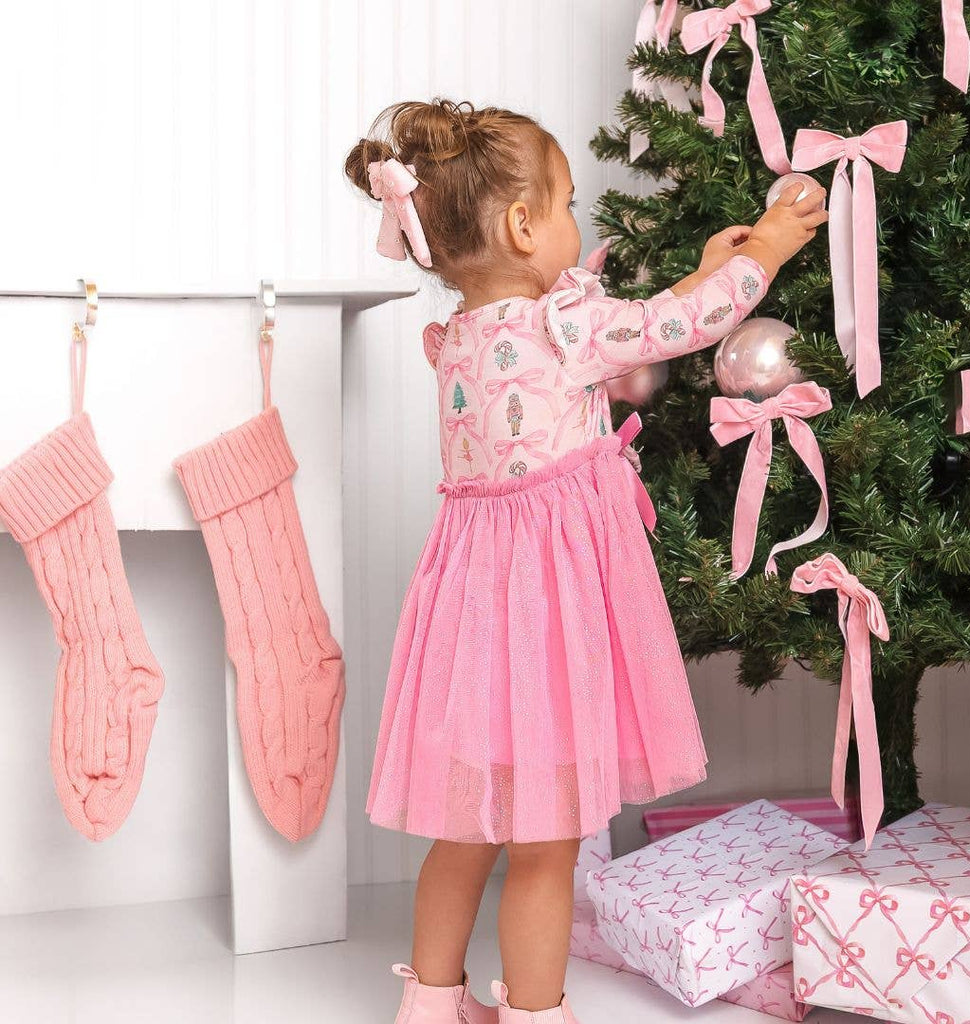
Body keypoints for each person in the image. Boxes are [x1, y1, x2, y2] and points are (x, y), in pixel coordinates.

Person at [345, 97, 826, 1024]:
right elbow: (676, 328)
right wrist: (762, 248)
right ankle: (535, 1012)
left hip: (471, 605)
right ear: (525, 227)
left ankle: (432, 1004)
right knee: (547, 839)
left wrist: (690, 273)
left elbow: (636, 329)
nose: (576, 223)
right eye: (566, 204)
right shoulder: (562, 327)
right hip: (547, 614)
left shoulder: (458, 342)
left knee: (464, 829)